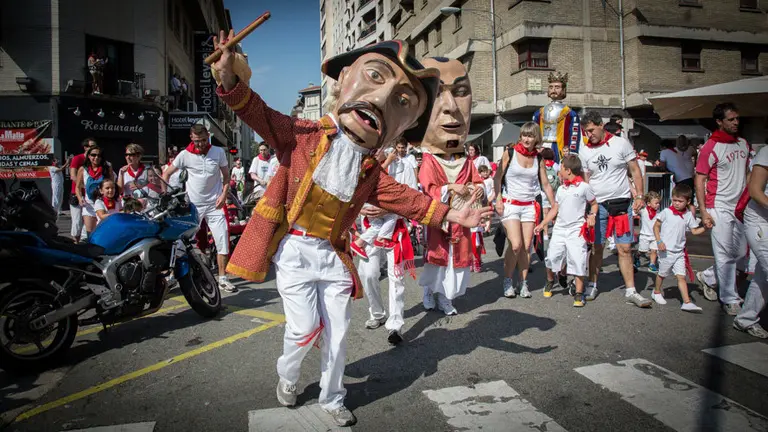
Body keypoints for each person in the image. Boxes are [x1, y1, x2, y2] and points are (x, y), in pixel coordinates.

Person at [211, 34, 491, 426]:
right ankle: (287, 376)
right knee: (304, 330)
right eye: (375, 76)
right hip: (294, 252)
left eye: (402, 103)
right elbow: (257, 112)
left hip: (333, 256)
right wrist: (229, 81)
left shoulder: (370, 171)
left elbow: (410, 200)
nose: (380, 100)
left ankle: (332, 396)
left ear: (399, 130)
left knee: (339, 332)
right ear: (343, 80)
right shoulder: (302, 135)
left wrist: (456, 216)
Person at [417, 57, 485, 316]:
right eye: (436, 94)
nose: (451, 107)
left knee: (455, 263)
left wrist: (479, 189)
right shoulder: (429, 160)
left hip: (463, 220)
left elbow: (477, 180)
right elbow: (427, 189)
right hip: (440, 219)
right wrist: (449, 189)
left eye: (461, 92)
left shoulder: (466, 159)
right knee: (437, 261)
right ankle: (428, 292)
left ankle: (446, 298)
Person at [579, 111, 651, 308]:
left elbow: (635, 170)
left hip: (622, 203)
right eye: (586, 132)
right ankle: (592, 284)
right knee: (597, 247)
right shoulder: (584, 150)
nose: (589, 135)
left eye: (592, 130)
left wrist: (639, 196)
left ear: (601, 125)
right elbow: (586, 180)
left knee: (625, 248)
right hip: (598, 205)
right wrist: (587, 208)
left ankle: (631, 291)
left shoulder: (621, 143)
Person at [357, 139, 421, 345]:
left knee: (396, 277)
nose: (375, 152)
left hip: (397, 227)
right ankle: (377, 313)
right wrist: (360, 209)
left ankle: (395, 325)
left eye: (379, 148)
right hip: (370, 226)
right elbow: (352, 196)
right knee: (367, 274)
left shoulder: (406, 167)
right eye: (373, 149)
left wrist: (388, 209)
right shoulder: (364, 165)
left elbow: (413, 198)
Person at [163, 124, 237, 293]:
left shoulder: (218, 152)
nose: (200, 144)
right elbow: (166, 174)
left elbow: (226, 177)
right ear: (191, 138)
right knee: (181, 242)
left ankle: (223, 278)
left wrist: (224, 195)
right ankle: (172, 275)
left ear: (208, 136)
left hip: (214, 205)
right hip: (193, 206)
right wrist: (166, 196)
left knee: (222, 239)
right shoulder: (184, 155)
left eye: (203, 140)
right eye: (197, 141)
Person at [695, 103, 751, 315]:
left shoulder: (744, 144)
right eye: (731, 119)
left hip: (740, 207)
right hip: (718, 205)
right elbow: (700, 179)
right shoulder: (710, 146)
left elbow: (746, 174)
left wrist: (747, 200)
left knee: (741, 254)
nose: (736, 122)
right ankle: (730, 298)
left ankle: (708, 277)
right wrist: (704, 210)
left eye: (737, 118)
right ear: (719, 122)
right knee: (725, 253)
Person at [494, 122, 556, 299]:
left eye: (530, 136)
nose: (527, 139)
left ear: (536, 137)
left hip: (529, 205)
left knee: (526, 247)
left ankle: (523, 282)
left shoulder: (539, 158)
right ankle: (507, 280)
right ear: (520, 137)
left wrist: (554, 203)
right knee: (515, 245)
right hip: (510, 204)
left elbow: (545, 184)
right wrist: (498, 199)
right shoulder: (510, 153)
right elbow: (497, 178)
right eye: (524, 135)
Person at [536, 154, 597, 305]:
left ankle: (579, 292)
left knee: (578, 260)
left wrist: (592, 215)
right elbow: (555, 208)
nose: (559, 171)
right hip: (559, 229)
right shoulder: (562, 189)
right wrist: (543, 223)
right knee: (551, 258)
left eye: (561, 168)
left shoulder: (584, 187)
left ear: (568, 170)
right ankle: (550, 280)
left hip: (576, 230)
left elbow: (594, 203)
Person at [652, 184, 706, 311]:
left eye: (680, 201)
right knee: (662, 274)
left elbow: (694, 231)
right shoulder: (666, 212)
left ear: (687, 202)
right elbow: (656, 226)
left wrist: (706, 227)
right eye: (674, 200)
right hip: (666, 251)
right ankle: (656, 292)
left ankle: (686, 302)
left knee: (681, 276)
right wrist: (659, 241)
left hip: (679, 252)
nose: (676, 203)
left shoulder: (688, 215)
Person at [734, 144, 768, 338]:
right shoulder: (766, 152)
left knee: (763, 275)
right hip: (760, 221)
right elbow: (754, 190)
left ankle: (745, 319)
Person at [532, 71, 584, 164]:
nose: (553, 90)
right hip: (542, 146)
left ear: (563, 90)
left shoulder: (570, 113)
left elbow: (574, 134)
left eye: (557, 87)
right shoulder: (539, 112)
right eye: (551, 87)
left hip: (559, 148)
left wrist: (572, 153)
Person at [75, 144, 114, 237]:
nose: (96, 157)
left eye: (99, 155)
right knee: (90, 234)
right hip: (89, 205)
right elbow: (77, 187)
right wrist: (80, 198)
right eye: (93, 155)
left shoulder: (107, 168)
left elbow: (112, 184)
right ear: (88, 156)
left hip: (104, 205)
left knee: (105, 233)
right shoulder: (82, 169)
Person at [118, 143, 161, 207]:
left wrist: (141, 186)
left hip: (144, 205)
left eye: (131, 155)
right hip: (129, 205)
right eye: (126, 155)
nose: (128, 157)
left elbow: (157, 186)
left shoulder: (147, 170)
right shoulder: (122, 171)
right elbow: (119, 191)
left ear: (139, 156)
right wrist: (121, 174)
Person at [69, 138, 95, 242]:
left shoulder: (95, 160)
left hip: (91, 196)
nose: (93, 148)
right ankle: (75, 243)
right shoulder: (77, 158)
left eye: (94, 146)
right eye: (90, 146)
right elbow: (73, 176)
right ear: (85, 147)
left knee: (91, 220)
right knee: (77, 221)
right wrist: (86, 186)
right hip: (77, 194)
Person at [637, 191, 661, 272]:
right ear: (649, 203)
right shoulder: (644, 211)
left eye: (658, 203)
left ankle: (652, 264)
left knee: (654, 250)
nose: (658, 205)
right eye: (656, 203)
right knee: (642, 251)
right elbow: (635, 211)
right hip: (645, 235)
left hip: (654, 236)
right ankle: (636, 256)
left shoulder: (659, 213)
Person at [539, 147, 559, 241]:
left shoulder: (541, 165)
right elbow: (560, 178)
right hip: (554, 191)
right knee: (554, 212)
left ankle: (545, 234)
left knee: (545, 214)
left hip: (543, 191)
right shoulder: (555, 165)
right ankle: (555, 232)